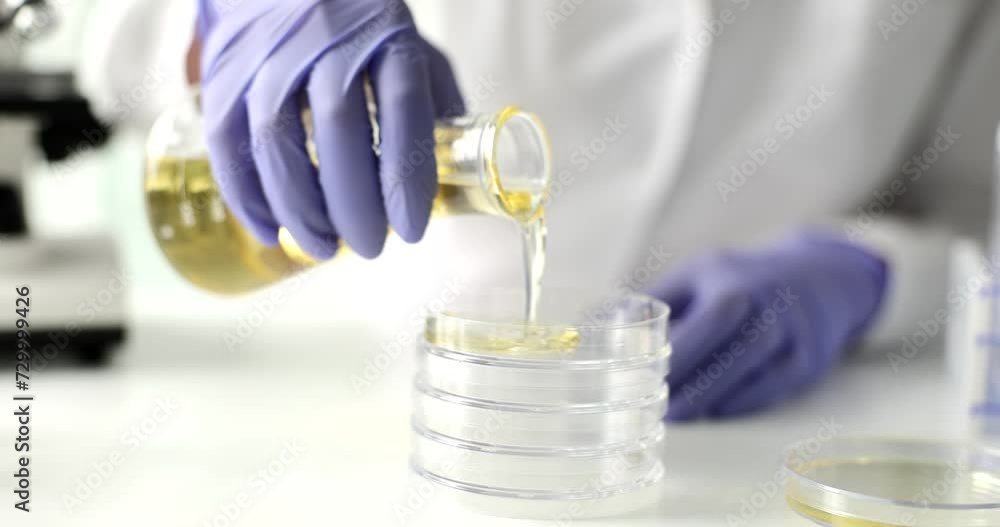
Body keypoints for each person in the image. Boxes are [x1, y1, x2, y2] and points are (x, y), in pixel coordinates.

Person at [83, 0, 1000, 419]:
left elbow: (972, 201)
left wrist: (876, 274)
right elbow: (82, 29)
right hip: (317, 407)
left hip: (751, 445)